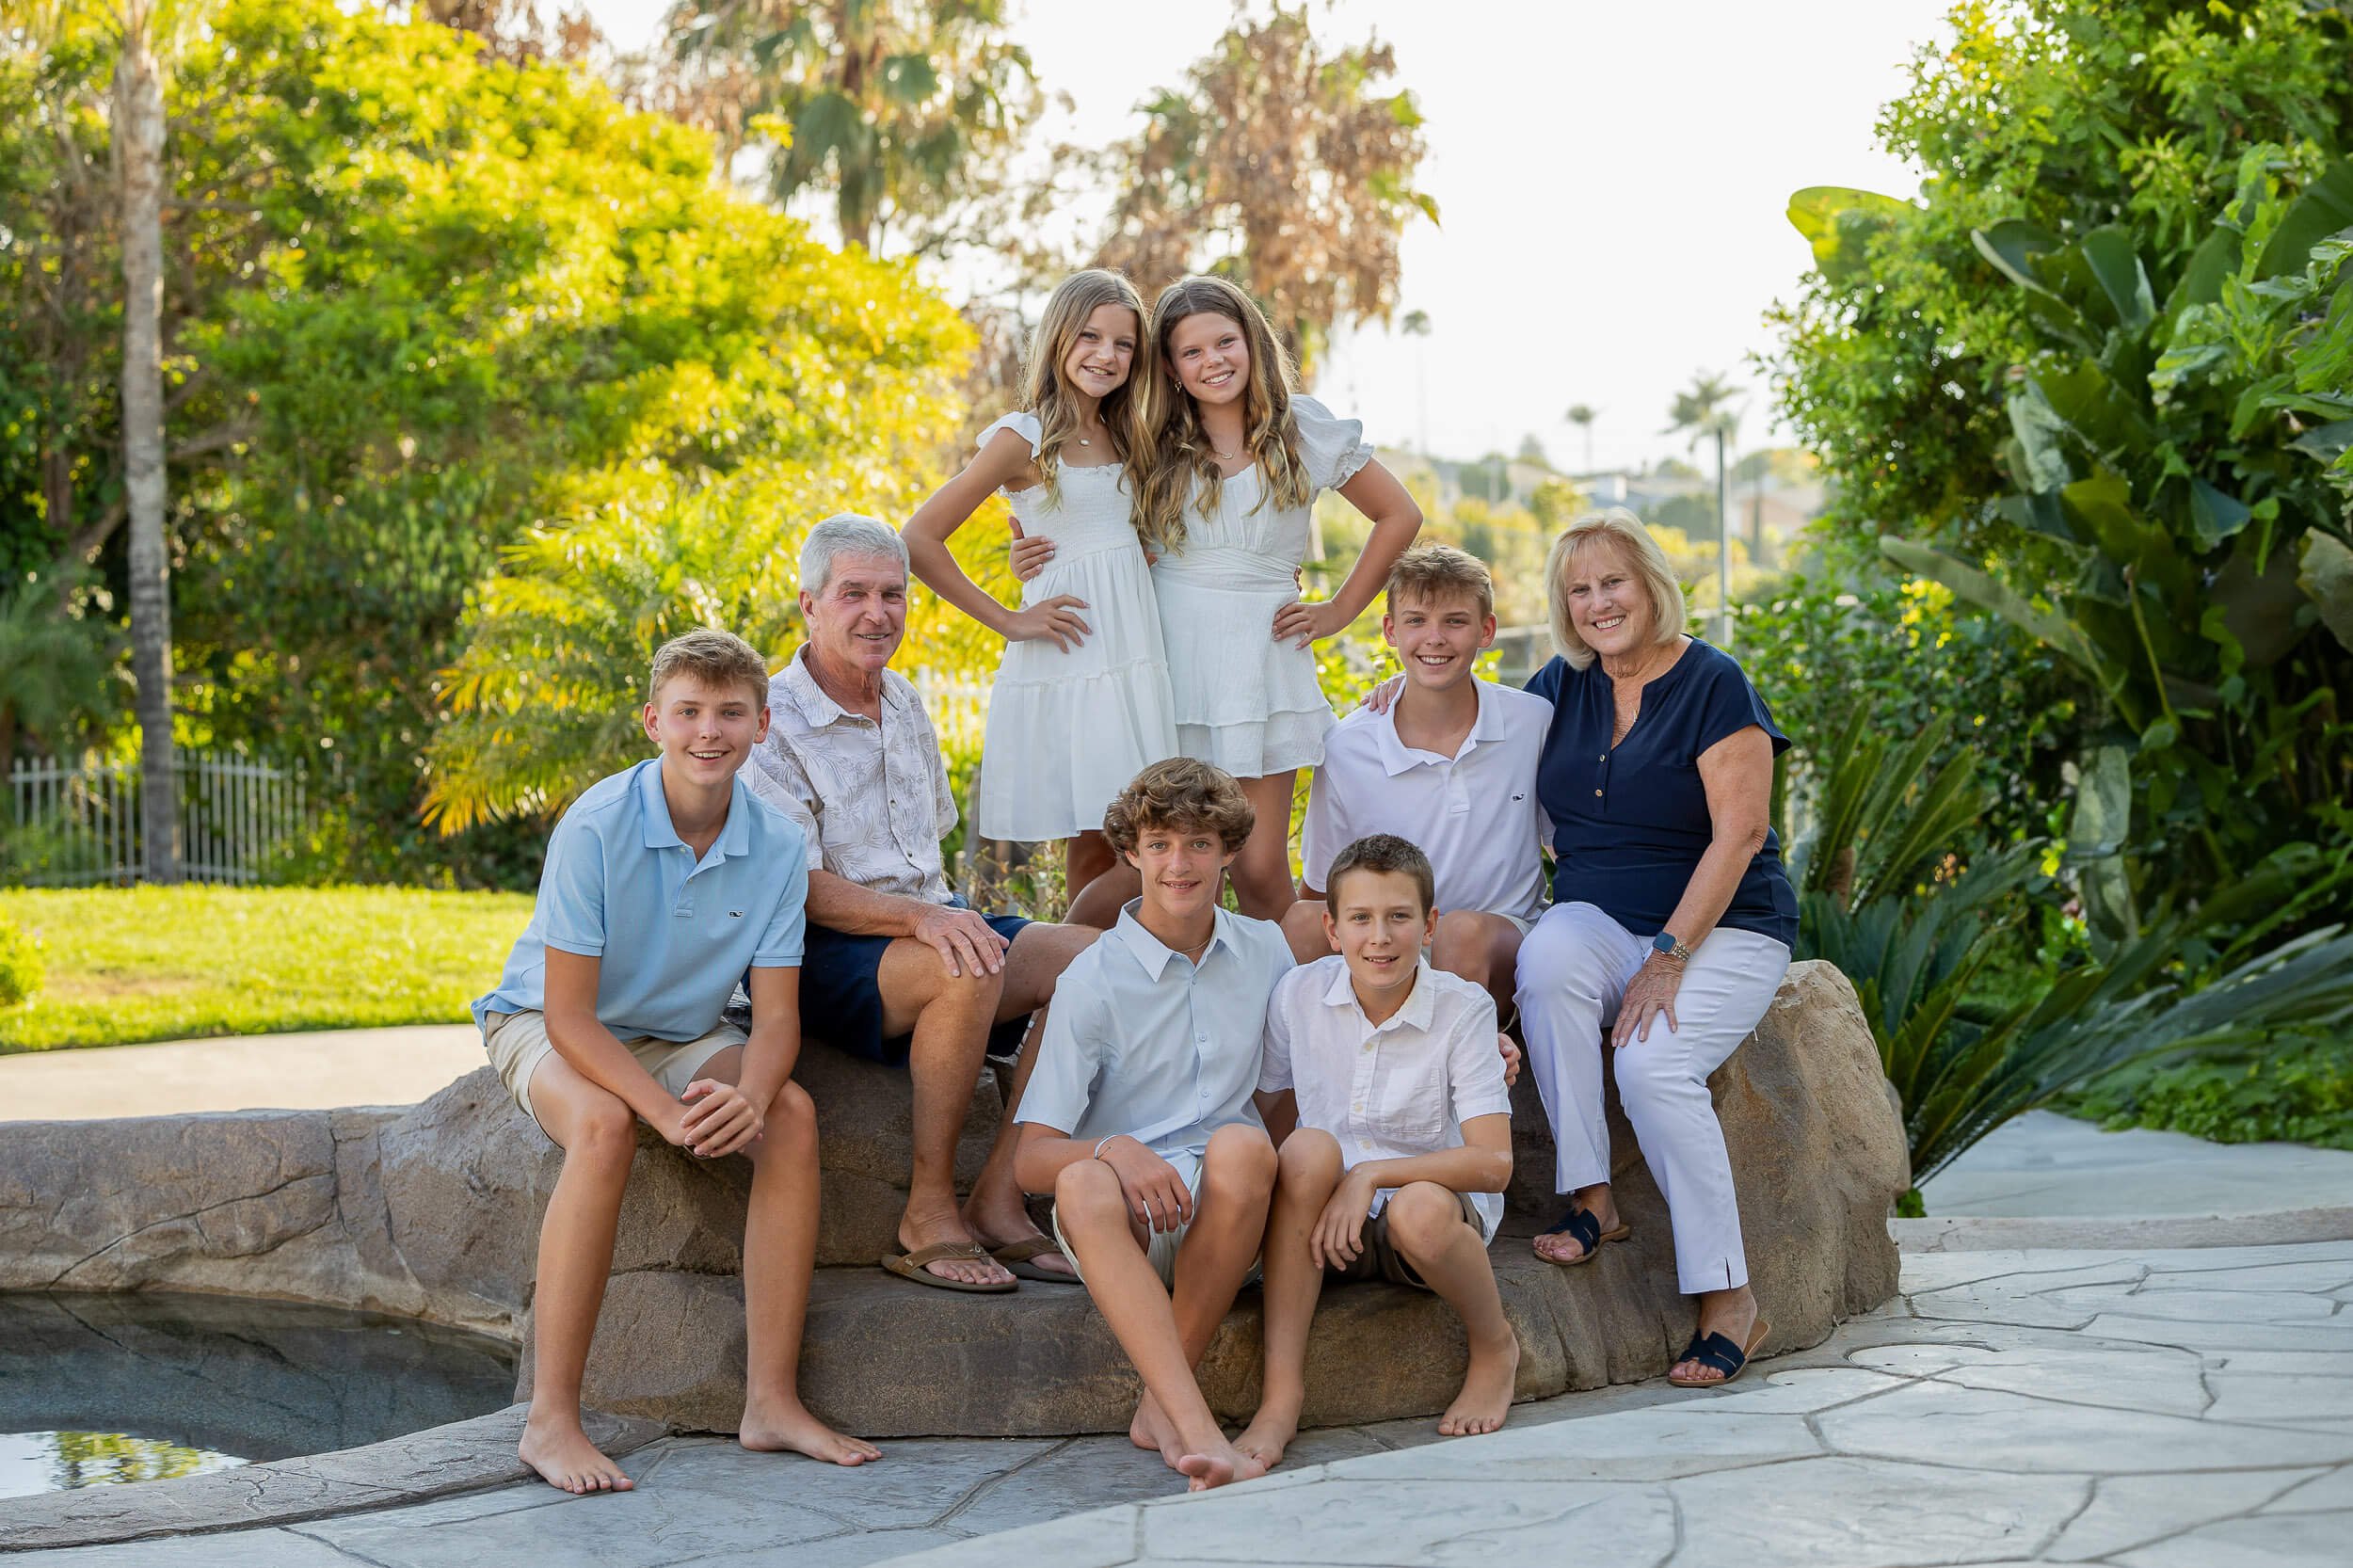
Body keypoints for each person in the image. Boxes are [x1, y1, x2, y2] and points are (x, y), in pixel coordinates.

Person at [472, 628, 878, 1495]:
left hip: (681, 1032)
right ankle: (550, 1422)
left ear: (763, 726)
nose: (709, 731)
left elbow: (774, 1021)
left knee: (793, 1120)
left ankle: (769, 1403)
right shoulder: (596, 827)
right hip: (546, 1022)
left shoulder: (773, 845)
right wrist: (664, 1114)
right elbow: (572, 1019)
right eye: (689, 711)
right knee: (605, 1126)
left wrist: (756, 1095)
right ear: (652, 720)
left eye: (731, 713)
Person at [747, 515, 1099, 1293]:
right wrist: (925, 921)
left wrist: (943, 915)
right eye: (853, 595)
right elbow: (790, 884)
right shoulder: (770, 720)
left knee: (1091, 958)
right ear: (808, 603)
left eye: (892, 595)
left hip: (927, 922)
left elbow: (927, 854)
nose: (877, 613)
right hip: (824, 948)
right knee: (963, 970)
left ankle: (1001, 1197)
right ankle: (928, 1212)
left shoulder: (904, 701)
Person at [1513, 506, 1797, 1389]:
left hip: (1724, 927)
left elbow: (1740, 833)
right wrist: (1393, 699)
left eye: (1614, 582)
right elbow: (1468, 749)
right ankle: (1594, 1197)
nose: (1599, 603)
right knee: (1547, 959)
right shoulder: (1557, 688)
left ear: (1650, 585)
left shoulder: (1714, 681)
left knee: (1650, 1067)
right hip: (1598, 917)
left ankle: (1728, 1298)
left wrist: (1669, 955)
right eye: (1580, 589)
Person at [1039, 275, 1423, 924]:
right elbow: (1077, 509)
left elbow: (1399, 515)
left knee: (1258, 869)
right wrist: (1031, 548)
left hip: (1260, 663)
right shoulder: (1150, 436)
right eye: (1192, 352)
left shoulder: (1301, 429)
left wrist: (1337, 612)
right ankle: (1070, 990)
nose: (1213, 361)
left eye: (1226, 342)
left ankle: (1289, 1019)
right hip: (1165, 659)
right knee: (1162, 869)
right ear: (1171, 367)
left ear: (1252, 342)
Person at [1011, 759, 1291, 1492]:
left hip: (1230, 1223)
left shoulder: (1265, 951)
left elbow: (1303, 1079)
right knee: (1080, 1180)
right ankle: (1196, 1425)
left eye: (1200, 843)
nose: (1179, 863)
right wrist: (1115, 1149)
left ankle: (1157, 1407)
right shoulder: (1093, 979)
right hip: (1127, 1225)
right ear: (1131, 853)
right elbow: (1029, 1160)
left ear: (1230, 851)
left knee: (1243, 1145)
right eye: (1161, 843)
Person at [904, 269, 1177, 910]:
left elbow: (1121, 532)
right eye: (1089, 336)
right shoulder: (1022, 437)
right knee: (1099, 841)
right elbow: (918, 538)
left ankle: (1088, 987)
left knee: (1146, 837)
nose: (1106, 355)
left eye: (1123, 344)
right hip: (1072, 652)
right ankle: (1063, 994)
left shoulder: (1133, 433)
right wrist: (1010, 620)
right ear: (1058, 337)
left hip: (1135, 650)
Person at [1241, 834, 1517, 1467]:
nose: (1380, 938)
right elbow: (1269, 1110)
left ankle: (1494, 1345)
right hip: (1327, 1225)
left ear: (1430, 926)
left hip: (1427, 1224)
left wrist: (1370, 1175)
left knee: (1415, 1208)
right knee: (1307, 1148)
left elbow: (1494, 1165)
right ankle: (1280, 1398)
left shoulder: (1463, 1008)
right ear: (1331, 929)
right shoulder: (1298, 995)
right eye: (1361, 919)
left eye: (1399, 917)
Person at [1284, 544, 1550, 1016]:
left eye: (1455, 621)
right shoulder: (1348, 747)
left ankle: (1452, 1079)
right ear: (1390, 630)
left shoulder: (1532, 722)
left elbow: (1571, 842)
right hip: (1392, 944)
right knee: (1303, 922)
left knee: (1458, 931)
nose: (1435, 638)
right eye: (1416, 621)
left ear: (1486, 630)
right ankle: (1318, 1078)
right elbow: (1322, 888)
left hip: (1497, 945)